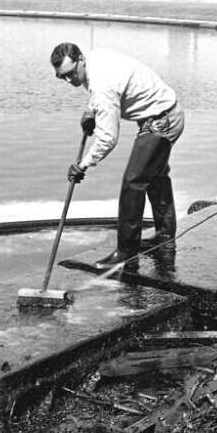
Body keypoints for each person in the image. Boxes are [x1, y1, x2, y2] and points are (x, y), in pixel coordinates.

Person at [50, 42, 184, 269]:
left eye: (71, 73)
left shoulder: (102, 85)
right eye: (62, 77)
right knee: (155, 176)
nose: (69, 81)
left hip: (163, 121)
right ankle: (164, 238)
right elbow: (106, 91)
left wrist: (83, 165)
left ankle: (126, 251)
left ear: (80, 59)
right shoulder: (96, 59)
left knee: (133, 182)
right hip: (163, 114)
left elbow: (108, 139)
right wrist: (91, 111)